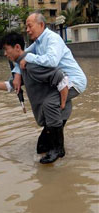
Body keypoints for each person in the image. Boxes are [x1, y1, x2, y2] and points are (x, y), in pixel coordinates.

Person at [0, 32, 73, 164]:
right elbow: (10, 86)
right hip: (49, 114)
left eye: (6, 49)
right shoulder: (21, 66)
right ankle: (60, 156)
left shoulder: (31, 64)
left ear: (17, 47)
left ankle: (59, 152)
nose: (5, 54)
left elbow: (61, 77)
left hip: (57, 111)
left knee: (54, 152)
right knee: (41, 148)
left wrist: (62, 103)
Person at [12, 12, 87, 159]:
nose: (27, 30)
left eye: (29, 26)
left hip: (73, 81)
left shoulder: (53, 39)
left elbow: (51, 61)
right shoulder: (38, 42)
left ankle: (58, 149)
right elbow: (22, 56)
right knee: (41, 146)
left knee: (49, 104)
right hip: (58, 82)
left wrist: (28, 58)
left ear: (41, 25)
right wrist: (17, 74)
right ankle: (53, 139)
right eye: (26, 27)